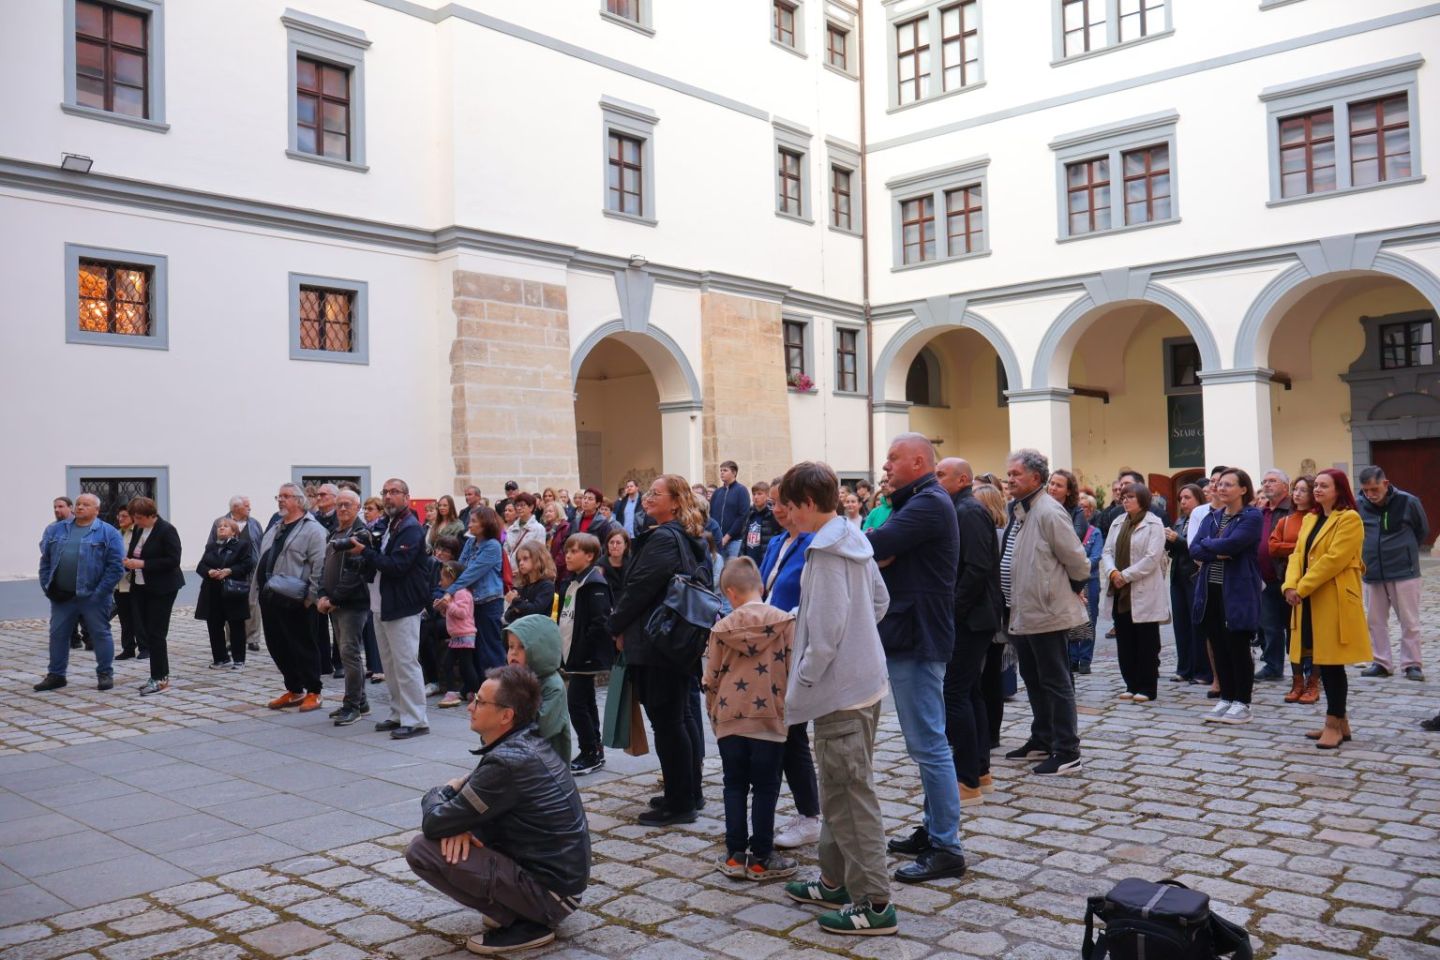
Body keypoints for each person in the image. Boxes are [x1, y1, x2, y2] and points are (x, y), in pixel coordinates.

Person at [777, 461, 897, 937]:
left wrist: (802, 679)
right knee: (838, 789)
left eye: (790, 506)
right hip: (863, 685)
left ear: (809, 503)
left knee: (850, 795)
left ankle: (874, 901)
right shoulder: (854, 538)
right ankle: (835, 880)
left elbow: (824, 639)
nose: (786, 515)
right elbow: (879, 603)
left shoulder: (826, 552)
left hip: (840, 694)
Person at [405, 665, 590, 956]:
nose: (470, 707)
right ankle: (518, 907)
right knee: (452, 832)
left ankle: (526, 921)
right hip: (562, 884)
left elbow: (435, 823)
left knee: (422, 850)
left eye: (479, 701)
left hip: (552, 895)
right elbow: (474, 813)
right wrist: (461, 825)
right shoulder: (524, 744)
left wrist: (443, 791)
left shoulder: (507, 762)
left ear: (506, 715)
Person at [865, 434, 965, 883]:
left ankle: (947, 846)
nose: (885, 467)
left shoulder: (928, 502)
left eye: (892, 459)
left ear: (918, 461)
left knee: (928, 744)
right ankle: (933, 830)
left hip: (919, 635)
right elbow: (880, 549)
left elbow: (874, 543)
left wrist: (881, 548)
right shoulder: (918, 500)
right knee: (926, 742)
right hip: (911, 632)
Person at [607, 474, 711, 826]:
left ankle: (680, 802)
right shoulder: (681, 535)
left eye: (656, 493)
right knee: (680, 718)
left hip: (657, 643)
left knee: (669, 722)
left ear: (676, 502)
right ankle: (688, 791)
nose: (648, 497)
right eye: (648, 492)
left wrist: (614, 624)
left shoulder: (665, 538)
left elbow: (638, 588)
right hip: (673, 643)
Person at [1000, 449, 1092, 774]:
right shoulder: (1020, 509)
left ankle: (1067, 751)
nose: (1009, 479)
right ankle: (1043, 738)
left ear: (1035, 478)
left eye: (1015, 474)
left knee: (1055, 680)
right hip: (1021, 611)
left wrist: (1066, 588)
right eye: (1008, 474)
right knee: (1033, 678)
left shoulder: (1049, 512)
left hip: (1046, 611)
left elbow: (1078, 561)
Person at [706, 556, 798, 881]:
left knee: (733, 784)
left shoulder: (721, 629)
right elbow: (792, 669)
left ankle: (733, 855)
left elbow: (711, 677)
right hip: (769, 718)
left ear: (730, 593)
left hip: (731, 717)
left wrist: (714, 714)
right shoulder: (785, 622)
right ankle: (761, 857)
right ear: (761, 587)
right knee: (766, 786)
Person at [1282, 469, 1367, 749]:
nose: (1317, 490)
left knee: (1331, 663)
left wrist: (1302, 587)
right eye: (1315, 485)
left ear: (1339, 489)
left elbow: (1335, 559)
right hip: (1308, 599)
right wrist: (1290, 585)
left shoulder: (1349, 519)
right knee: (1320, 657)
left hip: (1333, 598)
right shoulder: (1311, 518)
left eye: (1323, 485)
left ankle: (1334, 723)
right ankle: (1339, 721)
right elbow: (1297, 555)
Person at [936, 457, 1003, 809]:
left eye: (941, 474)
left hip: (972, 618)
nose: (936, 479)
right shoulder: (960, 508)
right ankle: (979, 772)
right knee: (969, 690)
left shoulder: (968, 511)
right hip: (972, 616)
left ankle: (966, 780)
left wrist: (953, 610)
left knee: (955, 692)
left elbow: (977, 569)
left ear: (962, 478)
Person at [759, 490, 821, 850]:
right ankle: (804, 810)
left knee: (792, 733)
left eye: (783, 503)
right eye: (773, 504)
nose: (777, 510)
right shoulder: (779, 541)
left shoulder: (813, 544)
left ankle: (810, 815)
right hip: (769, 645)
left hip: (792, 646)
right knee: (782, 732)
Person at [355, 478, 431, 739]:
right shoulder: (387, 524)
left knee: (406, 663)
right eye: (385, 492)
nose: (388, 497)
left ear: (407, 497)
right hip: (381, 603)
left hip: (403, 604)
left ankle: (416, 719)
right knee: (389, 664)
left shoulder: (410, 528)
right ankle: (399, 713)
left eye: (394, 492)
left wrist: (365, 552)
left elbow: (397, 566)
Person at [1191, 468, 1264, 725]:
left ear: (1243, 489)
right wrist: (1217, 549)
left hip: (1238, 589)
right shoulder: (1212, 517)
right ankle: (1226, 697)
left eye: (1228, 485)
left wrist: (1213, 546)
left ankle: (1242, 703)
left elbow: (1234, 544)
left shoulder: (1252, 516)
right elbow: (1194, 548)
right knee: (1218, 645)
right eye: (1219, 484)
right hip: (1211, 588)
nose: (1221, 489)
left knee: (1237, 645)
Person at [35, 492, 124, 692]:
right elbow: (46, 561)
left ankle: (105, 673)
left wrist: (100, 592)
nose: (80, 507)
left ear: (97, 510)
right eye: (78, 504)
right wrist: (47, 586)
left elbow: (116, 567)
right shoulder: (57, 530)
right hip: (62, 595)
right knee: (58, 635)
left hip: (94, 597)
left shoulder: (108, 533)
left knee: (100, 634)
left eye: (86, 504)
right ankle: (56, 675)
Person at [255, 484, 328, 711]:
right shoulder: (276, 526)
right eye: (279, 496)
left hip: (297, 598)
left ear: (299, 500)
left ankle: (314, 691)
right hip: (270, 596)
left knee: (303, 645)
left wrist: (311, 597)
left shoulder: (313, 529)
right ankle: (294, 689)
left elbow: (319, 565)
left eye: (286, 496)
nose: (280, 500)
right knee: (277, 644)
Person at [1357, 466, 1428, 680]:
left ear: (1385, 484)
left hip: (1404, 571)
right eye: (1366, 490)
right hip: (1372, 571)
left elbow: (1422, 530)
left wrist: (1404, 551)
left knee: (1409, 620)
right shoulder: (1358, 504)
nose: (1370, 494)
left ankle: (1412, 664)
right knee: (1375, 620)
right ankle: (1381, 662)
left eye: (1374, 488)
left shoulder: (1408, 501)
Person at [1101, 483, 1169, 704]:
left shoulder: (1154, 523)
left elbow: (1151, 558)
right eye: (1123, 497)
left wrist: (1125, 575)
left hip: (1142, 588)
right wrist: (1112, 572)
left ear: (1142, 499)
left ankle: (1148, 687)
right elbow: (1107, 550)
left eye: (1130, 497)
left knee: (1146, 642)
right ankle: (1131, 683)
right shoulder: (1118, 522)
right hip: (1120, 589)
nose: (1125, 500)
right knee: (1125, 641)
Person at [316, 490, 374, 726]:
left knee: (349, 655)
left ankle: (352, 706)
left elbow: (355, 574)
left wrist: (334, 599)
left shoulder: (361, 533)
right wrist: (321, 594)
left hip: (352, 604)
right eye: (339, 505)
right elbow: (325, 565)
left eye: (347, 505)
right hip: (335, 602)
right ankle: (361, 702)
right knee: (344, 652)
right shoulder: (335, 532)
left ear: (357, 506)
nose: (342, 509)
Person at [560, 532, 615, 776]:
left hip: (584, 656)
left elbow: (599, 623)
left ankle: (589, 751)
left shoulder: (594, 584)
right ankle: (595, 749)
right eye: (567, 551)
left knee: (577, 704)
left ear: (590, 556)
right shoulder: (575, 582)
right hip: (574, 653)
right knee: (586, 702)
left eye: (574, 551)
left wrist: (582, 650)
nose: (568, 555)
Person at [123, 497, 184, 697]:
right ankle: (155, 675)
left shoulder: (167, 530)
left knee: (157, 633)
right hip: (141, 587)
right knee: (147, 632)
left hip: (163, 587)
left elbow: (173, 560)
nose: (136, 521)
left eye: (140, 517)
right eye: (135, 518)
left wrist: (143, 564)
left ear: (151, 515)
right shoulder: (140, 529)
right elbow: (136, 553)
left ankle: (161, 678)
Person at [970, 484, 1012, 746]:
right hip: (994, 612)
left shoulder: (996, 534)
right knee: (990, 674)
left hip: (990, 613)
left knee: (987, 675)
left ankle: (988, 732)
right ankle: (990, 733)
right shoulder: (1000, 532)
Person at [447, 506, 507, 676]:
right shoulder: (470, 542)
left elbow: (471, 573)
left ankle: (498, 687)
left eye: (474, 521)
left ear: (485, 524)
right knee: (476, 648)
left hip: (489, 601)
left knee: (490, 648)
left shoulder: (493, 546)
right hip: (472, 601)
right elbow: (459, 568)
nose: (469, 524)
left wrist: (449, 592)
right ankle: (480, 688)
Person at [505, 615, 572, 762]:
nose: (513, 653)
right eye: (510, 646)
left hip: (548, 769)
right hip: (518, 760)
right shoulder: (514, 680)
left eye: (522, 647)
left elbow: (542, 729)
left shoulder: (553, 687)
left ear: (541, 649)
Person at [195, 517, 254, 670]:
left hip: (233, 590)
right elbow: (201, 565)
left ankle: (239, 659)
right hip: (212, 591)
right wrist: (209, 571)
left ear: (234, 532)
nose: (221, 528)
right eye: (219, 526)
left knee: (236, 626)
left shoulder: (242, 545)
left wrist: (229, 571)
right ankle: (221, 658)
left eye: (225, 526)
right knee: (214, 625)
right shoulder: (211, 546)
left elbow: (247, 564)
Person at [1166, 484, 1211, 686]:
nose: (1183, 502)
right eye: (1180, 498)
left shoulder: (1205, 518)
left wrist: (1178, 540)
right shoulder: (1180, 520)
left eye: (1187, 497)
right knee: (1181, 625)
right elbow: (1174, 550)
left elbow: (1198, 546)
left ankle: (1202, 670)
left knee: (1198, 625)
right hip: (1178, 576)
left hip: (1195, 575)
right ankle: (1184, 668)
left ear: (1198, 498)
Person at [1255, 470, 1295, 682]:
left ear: (1285, 487)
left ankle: (1302, 667)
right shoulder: (1260, 512)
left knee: (1293, 626)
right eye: (1265, 482)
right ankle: (1273, 666)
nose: (1267, 485)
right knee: (1269, 627)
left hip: (1287, 578)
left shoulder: (1292, 510)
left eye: (1272, 481)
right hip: (1264, 579)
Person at [210, 496, 263, 654]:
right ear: (235, 508)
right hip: (229, 569)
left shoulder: (254, 523)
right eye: (246, 506)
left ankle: (253, 639)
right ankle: (231, 639)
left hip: (251, 568)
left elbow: (260, 542)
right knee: (230, 603)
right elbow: (212, 543)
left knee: (253, 603)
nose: (249, 508)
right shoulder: (220, 522)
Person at [436, 561, 480, 710]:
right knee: (452, 664)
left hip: (464, 635)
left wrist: (448, 605)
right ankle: (460, 691)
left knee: (465, 666)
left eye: (443, 578)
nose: (440, 582)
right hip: (457, 636)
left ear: (452, 578)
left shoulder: (462, 593)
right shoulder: (455, 594)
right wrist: (443, 608)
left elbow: (462, 613)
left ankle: (473, 691)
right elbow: (453, 614)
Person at [1073, 494, 1103, 673]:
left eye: (1084, 507)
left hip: (1089, 580)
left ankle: (1085, 660)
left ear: (1090, 511)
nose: (1081, 510)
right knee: (1071, 620)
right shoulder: (1070, 530)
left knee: (1089, 620)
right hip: (1071, 580)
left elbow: (1096, 556)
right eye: (1079, 507)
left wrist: (1078, 567)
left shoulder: (1095, 532)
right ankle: (1072, 658)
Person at [504, 541, 557, 626]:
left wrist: (515, 602)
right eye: (519, 560)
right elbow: (508, 616)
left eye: (525, 558)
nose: (521, 563)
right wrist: (519, 607)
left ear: (539, 559)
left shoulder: (546, 585)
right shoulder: (523, 587)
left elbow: (535, 611)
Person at [112, 506, 140, 660]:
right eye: (119, 515)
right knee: (124, 618)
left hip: (134, 582)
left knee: (138, 617)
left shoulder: (137, 533)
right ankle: (128, 648)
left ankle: (144, 647)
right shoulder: (116, 534)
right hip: (119, 582)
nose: (120, 518)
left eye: (124, 516)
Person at [742, 481, 783, 563]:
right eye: (754, 494)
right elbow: (744, 539)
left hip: (765, 560)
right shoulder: (750, 514)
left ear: (768, 496)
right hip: (750, 560)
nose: (756, 497)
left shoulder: (773, 514)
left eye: (759, 494)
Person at [505, 493, 546, 570]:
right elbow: (506, 549)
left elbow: (539, 554)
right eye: (517, 505)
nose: (519, 508)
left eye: (522, 505)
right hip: (511, 572)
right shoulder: (511, 529)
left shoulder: (538, 529)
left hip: (529, 572)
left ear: (531, 507)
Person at [1047, 469, 1087, 541]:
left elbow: (1075, 540)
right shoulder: (1039, 507)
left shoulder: (1078, 513)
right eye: (1052, 483)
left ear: (1068, 491)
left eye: (1059, 486)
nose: (1053, 488)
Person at [541, 502, 571, 583]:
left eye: (550, 511)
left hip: (561, 569)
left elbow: (564, 549)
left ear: (558, 512)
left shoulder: (565, 527)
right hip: (545, 569)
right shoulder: (544, 529)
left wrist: (553, 566)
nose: (547, 514)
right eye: (546, 512)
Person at [602, 527, 630, 595]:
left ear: (625, 545)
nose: (614, 546)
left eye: (618, 543)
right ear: (607, 544)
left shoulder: (633, 564)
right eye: (611, 542)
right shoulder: (599, 566)